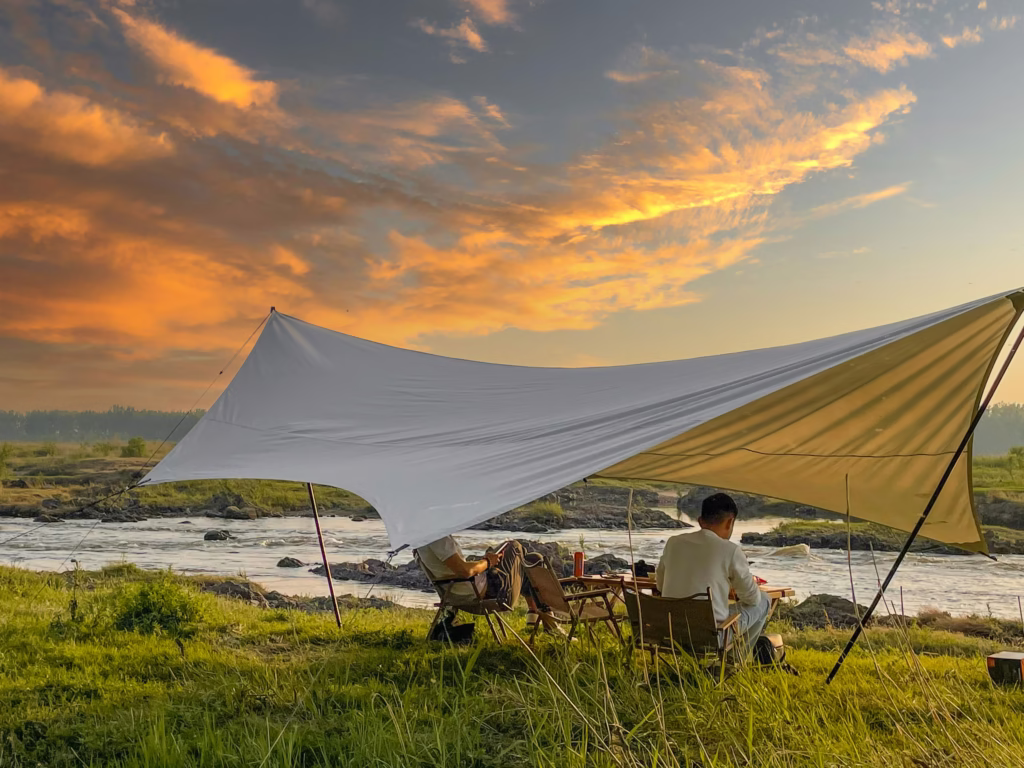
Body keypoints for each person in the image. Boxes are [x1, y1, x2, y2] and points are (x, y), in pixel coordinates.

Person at [655, 492, 771, 660]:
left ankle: (727, 664)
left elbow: (660, 586)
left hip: (671, 632)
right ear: (730, 521)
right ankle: (734, 663)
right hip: (711, 637)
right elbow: (752, 599)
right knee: (764, 600)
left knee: (719, 610)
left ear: (700, 521)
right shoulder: (730, 550)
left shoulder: (673, 543)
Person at [415, 536, 556, 641]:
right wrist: (488, 562)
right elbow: (465, 571)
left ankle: (535, 614)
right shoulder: (437, 539)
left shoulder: (420, 540)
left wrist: (485, 563)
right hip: (486, 593)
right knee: (514, 546)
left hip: (457, 594)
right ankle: (550, 624)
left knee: (531, 558)